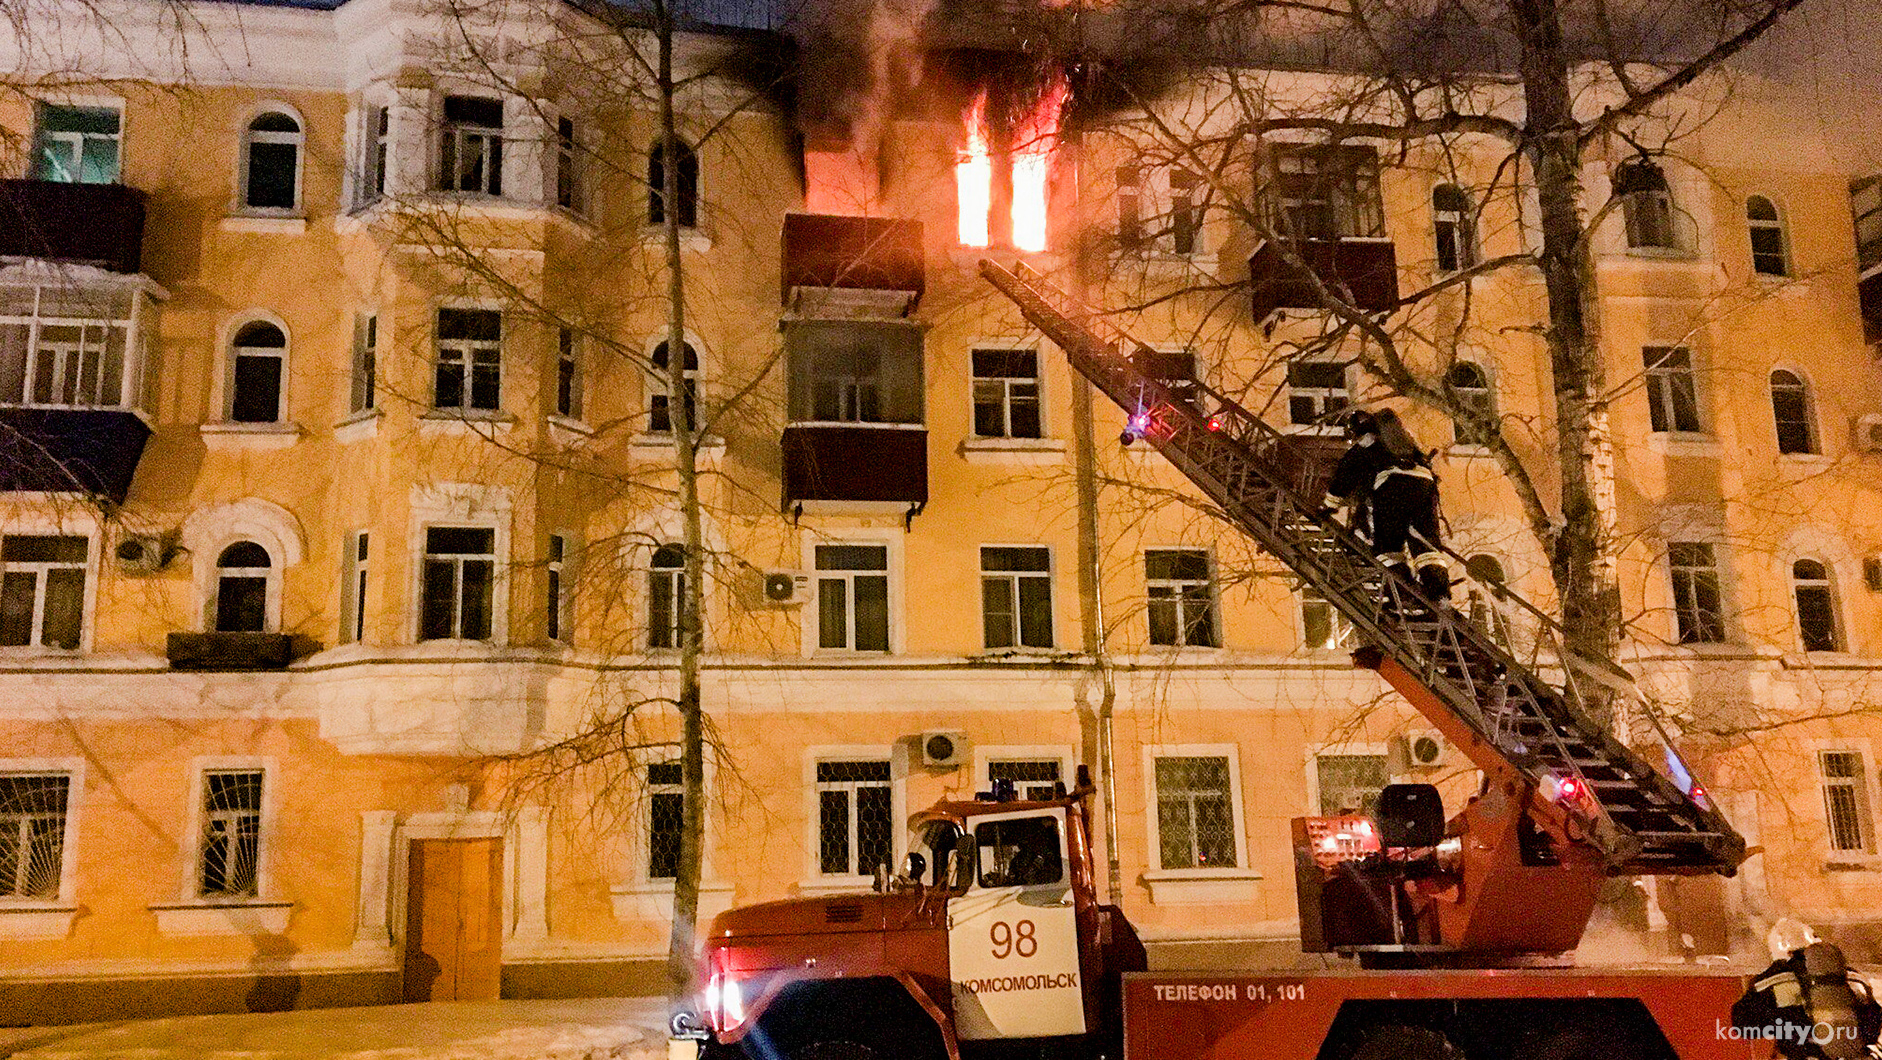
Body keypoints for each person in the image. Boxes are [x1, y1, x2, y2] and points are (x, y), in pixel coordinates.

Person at [1322, 408, 1450, 607]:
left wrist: (1330, 504)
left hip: (1393, 485)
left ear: (1355, 432)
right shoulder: (1404, 439)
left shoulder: (1367, 442)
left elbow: (1346, 472)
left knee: (1388, 547)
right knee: (1426, 543)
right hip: (1425, 484)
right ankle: (1440, 593)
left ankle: (1402, 593)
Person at [1731, 919, 1881, 1060]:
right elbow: (1872, 1028)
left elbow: (1743, 1026)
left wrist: (1783, 1026)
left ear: (1780, 946)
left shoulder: (1771, 981)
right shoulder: (1854, 977)